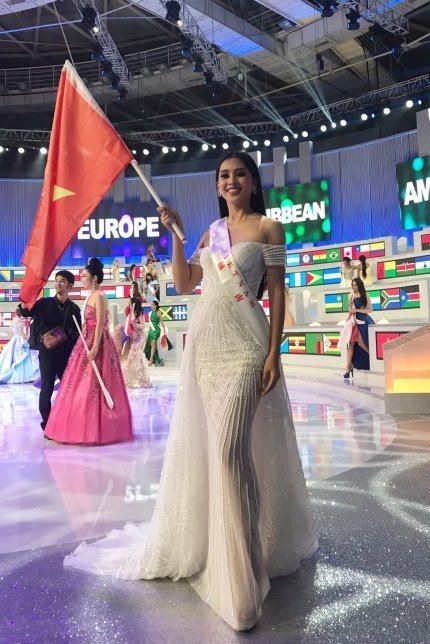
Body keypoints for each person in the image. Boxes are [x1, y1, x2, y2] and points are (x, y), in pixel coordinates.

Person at [64, 152, 317, 631]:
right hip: (206, 347)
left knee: (230, 452)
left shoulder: (270, 228)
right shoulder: (211, 233)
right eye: (224, 176)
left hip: (246, 347)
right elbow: (184, 283)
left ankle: (246, 572)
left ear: (253, 181)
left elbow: (278, 293)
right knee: (219, 452)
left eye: (239, 174)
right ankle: (232, 562)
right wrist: (176, 237)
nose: (232, 181)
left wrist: (274, 353)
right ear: (217, 186)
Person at [44, 258, 133, 445]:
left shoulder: (99, 295)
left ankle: (99, 428)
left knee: (98, 381)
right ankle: (80, 426)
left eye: (84, 276)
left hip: (97, 342)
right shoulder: (90, 295)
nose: (82, 279)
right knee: (81, 383)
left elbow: (100, 323)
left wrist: (95, 346)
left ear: (94, 278)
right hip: (86, 339)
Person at [19, 270, 81, 430]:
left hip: (66, 355)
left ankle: (67, 420)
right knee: (47, 387)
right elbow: (25, 311)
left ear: (70, 286)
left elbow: (78, 333)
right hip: (47, 354)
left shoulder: (74, 309)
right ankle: (47, 424)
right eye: (56, 280)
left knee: (68, 388)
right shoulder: (45, 303)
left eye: (62, 281)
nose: (58, 284)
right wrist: (27, 295)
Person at [340, 277, 375, 378]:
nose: (354, 287)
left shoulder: (365, 295)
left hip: (363, 322)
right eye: (352, 285)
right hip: (354, 323)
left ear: (359, 285)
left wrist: (357, 310)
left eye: (355, 285)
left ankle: (373, 360)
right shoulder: (351, 295)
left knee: (362, 343)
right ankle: (347, 368)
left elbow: (370, 310)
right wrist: (348, 318)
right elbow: (350, 309)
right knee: (351, 344)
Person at [0, 308, 39, 384]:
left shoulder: (12, 321)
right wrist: (26, 338)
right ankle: (23, 377)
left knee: (14, 359)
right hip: (19, 340)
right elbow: (21, 332)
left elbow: (11, 333)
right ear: (21, 313)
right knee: (22, 358)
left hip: (14, 340)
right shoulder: (20, 321)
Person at [119, 306, 152, 389]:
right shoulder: (131, 313)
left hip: (140, 338)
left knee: (135, 357)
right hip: (134, 338)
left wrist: (134, 324)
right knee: (135, 358)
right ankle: (141, 379)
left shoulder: (140, 315)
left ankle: (137, 379)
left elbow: (143, 326)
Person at [144, 300, 166, 366]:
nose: (151, 305)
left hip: (156, 330)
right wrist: (149, 330)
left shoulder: (159, 312)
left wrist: (164, 331)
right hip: (151, 331)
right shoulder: (150, 313)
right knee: (151, 345)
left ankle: (151, 360)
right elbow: (150, 323)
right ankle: (157, 360)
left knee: (153, 343)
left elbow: (162, 323)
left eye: (152, 304)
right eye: (151, 304)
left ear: (156, 305)